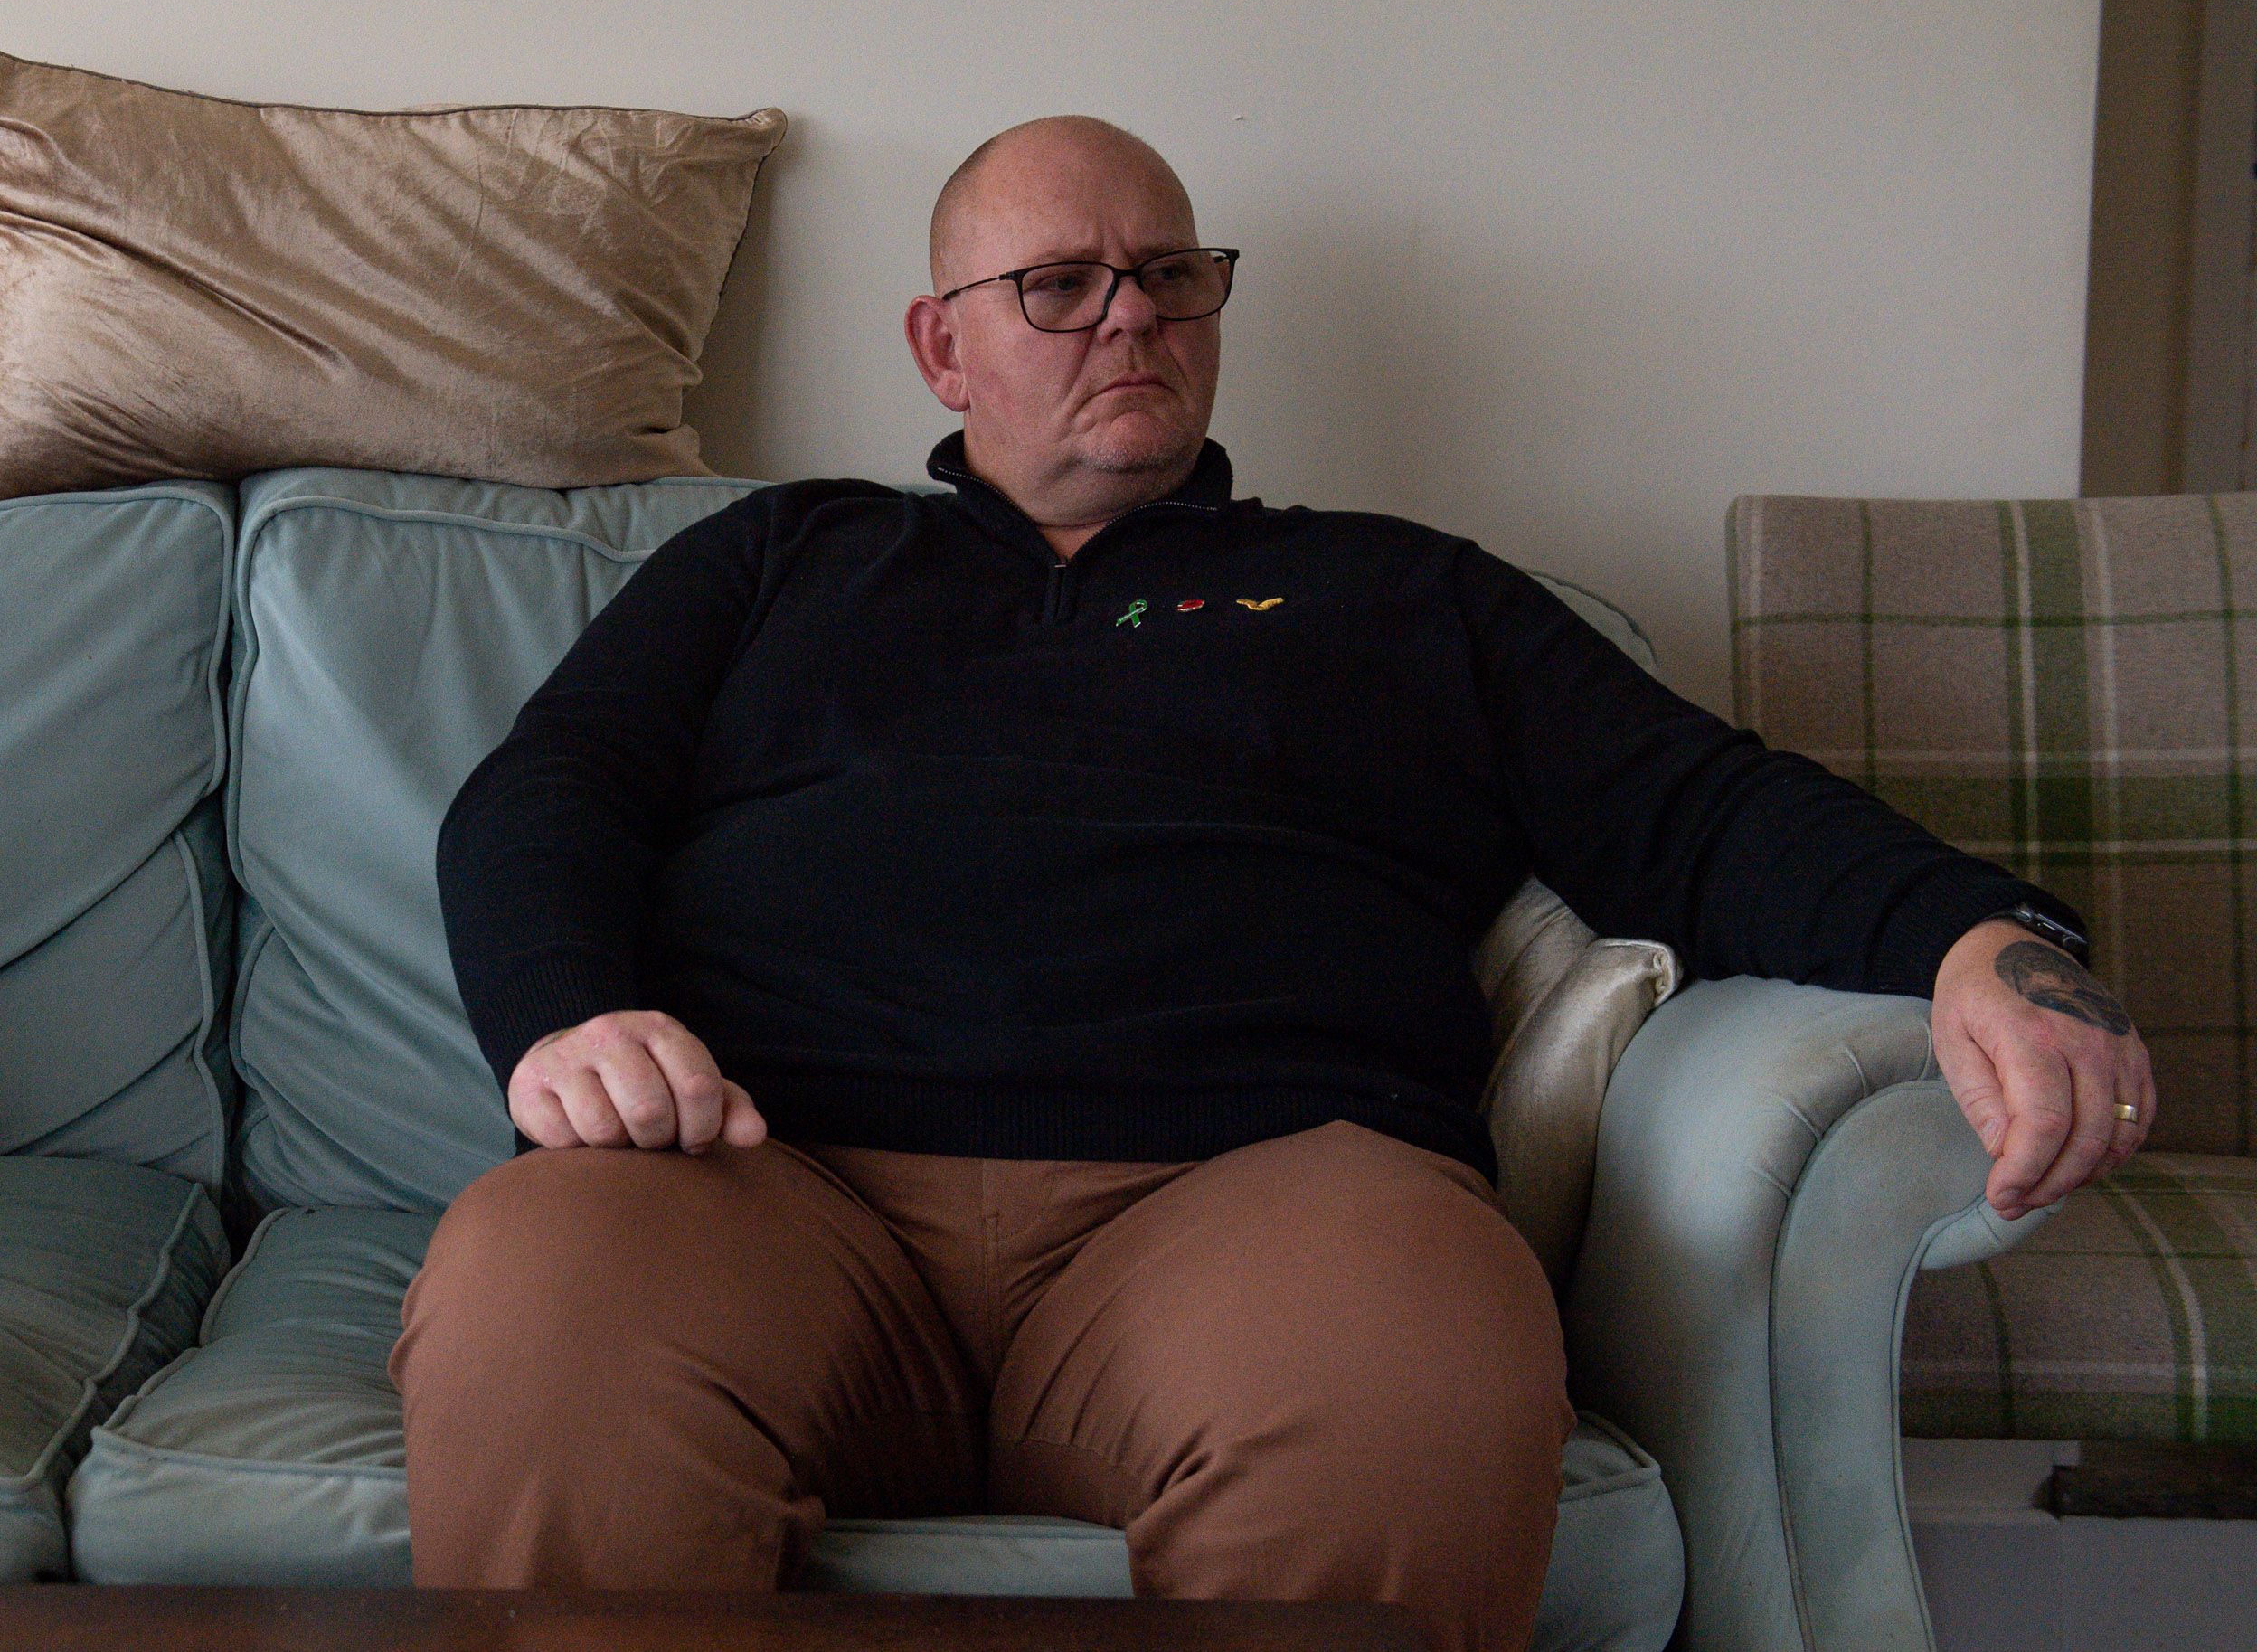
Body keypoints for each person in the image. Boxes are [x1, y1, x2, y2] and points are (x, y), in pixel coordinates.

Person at [393, 118, 2147, 1651]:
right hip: (768, 1182)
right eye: (1059, 284)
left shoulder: (1393, 594)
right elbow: (549, 791)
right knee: (538, 1291)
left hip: (1251, 1203)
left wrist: (1977, 939)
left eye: (1169, 274)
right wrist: (565, 1009)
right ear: (939, 347)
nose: (1131, 315)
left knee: (1420, 1355)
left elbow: (1691, 810)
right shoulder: (775, 559)